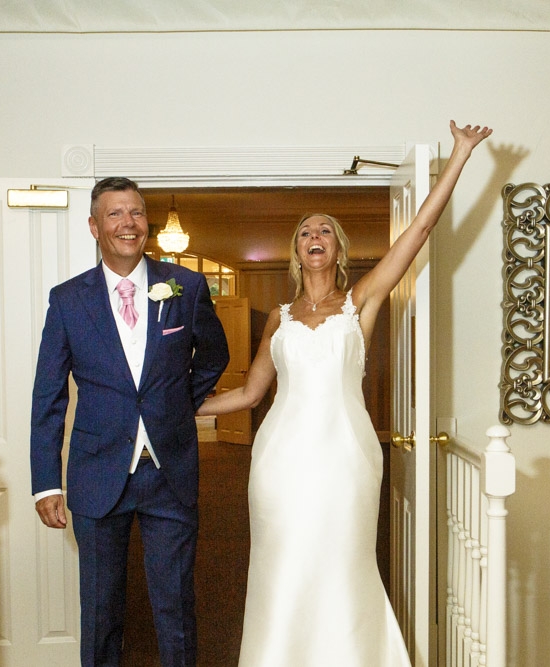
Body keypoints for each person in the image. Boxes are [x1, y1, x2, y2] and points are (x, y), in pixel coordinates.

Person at [197, 120, 491, 667]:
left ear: (338, 248)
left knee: (341, 563)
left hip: (346, 459)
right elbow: (250, 393)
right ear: (296, 249)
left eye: (325, 231)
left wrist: (461, 154)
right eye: (306, 231)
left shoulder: (363, 301)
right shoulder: (278, 320)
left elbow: (421, 231)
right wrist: (178, 406)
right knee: (282, 565)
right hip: (279, 461)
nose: (315, 237)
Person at [30, 177, 230, 666]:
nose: (128, 223)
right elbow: (48, 395)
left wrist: (177, 403)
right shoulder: (68, 299)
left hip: (170, 470)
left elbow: (214, 356)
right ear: (95, 227)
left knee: (176, 604)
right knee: (100, 610)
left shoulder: (185, 285)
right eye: (115, 214)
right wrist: (45, 483)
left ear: (147, 224)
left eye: (137, 213)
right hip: (97, 471)